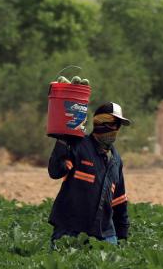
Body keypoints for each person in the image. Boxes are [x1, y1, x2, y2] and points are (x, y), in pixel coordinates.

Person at [47, 101, 131, 246]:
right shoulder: (79, 146)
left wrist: (123, 238)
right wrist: (62, 140)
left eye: (118, 126)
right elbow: (55, 171)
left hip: (105, 235)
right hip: (70, 231)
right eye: (112, 124)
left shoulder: (116, 160)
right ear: (99, 123)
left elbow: (119, 202)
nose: (115, 130)